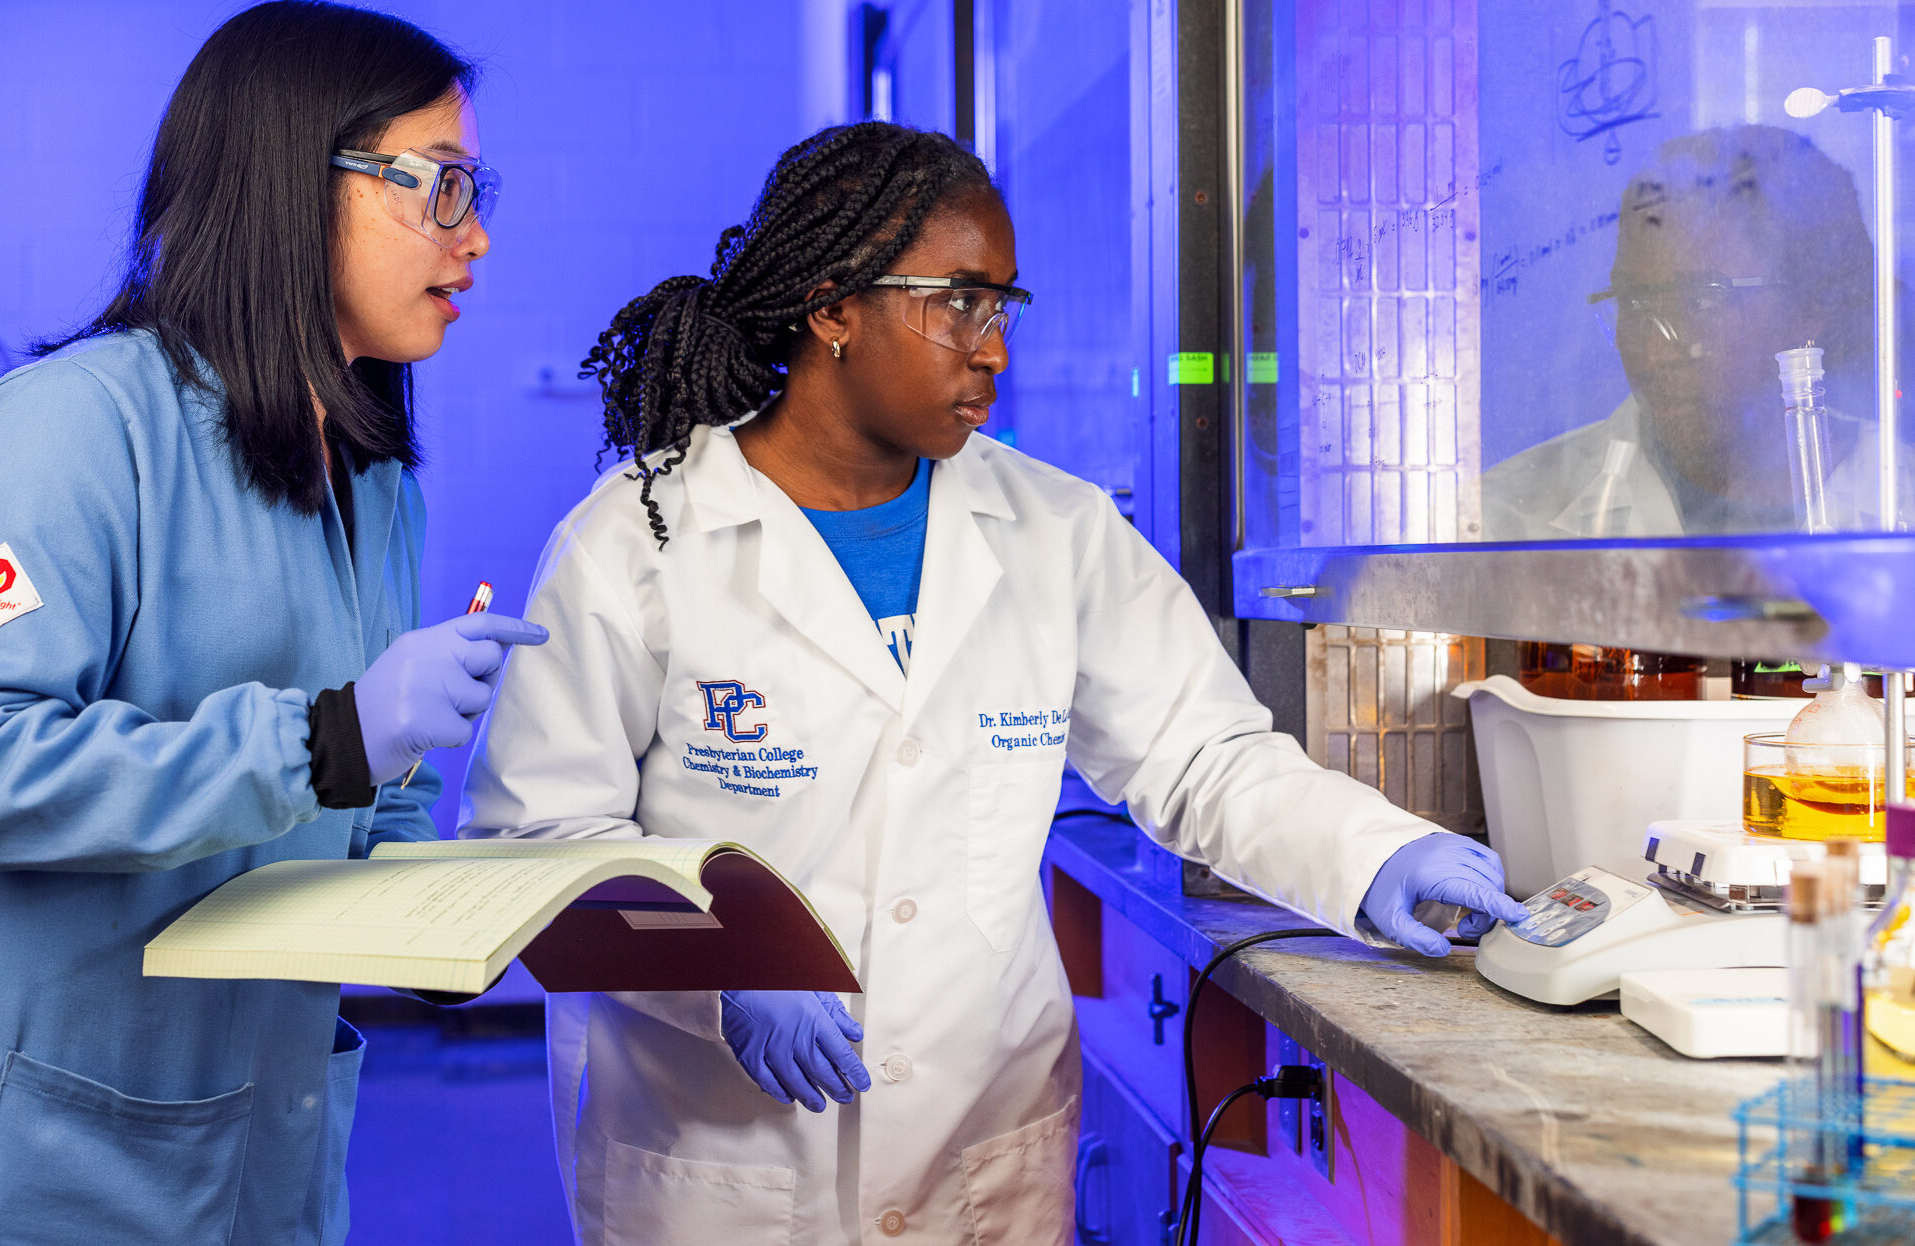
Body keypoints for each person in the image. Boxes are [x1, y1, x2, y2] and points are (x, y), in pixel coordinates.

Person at [461, 121, 1528, 1245]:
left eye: (1002, 307)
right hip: (724, 1168)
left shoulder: (1054, 530)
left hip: (978, 1150)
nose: (994, 351)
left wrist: (1374, 854)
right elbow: (534, 844)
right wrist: (721, 971)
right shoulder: (635, 544)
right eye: (959, 303)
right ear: (831, 308)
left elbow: (1202, 756)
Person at [0, 5, 544, 1242]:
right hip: (31, 1152)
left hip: (263, 1147)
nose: (477, 235)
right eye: (443, 185)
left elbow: (366, 797)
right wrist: (328, 738)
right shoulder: (73, 426)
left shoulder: (375, 481)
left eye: (475, 190)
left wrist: (461, 916)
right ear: (296, 182)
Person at [1484, 124, 1897, 539]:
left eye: (1701, 301)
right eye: (1633, 302)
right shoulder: (1504, 520)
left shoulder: (1903, 499)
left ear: (1806, 308)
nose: (1655, 353)